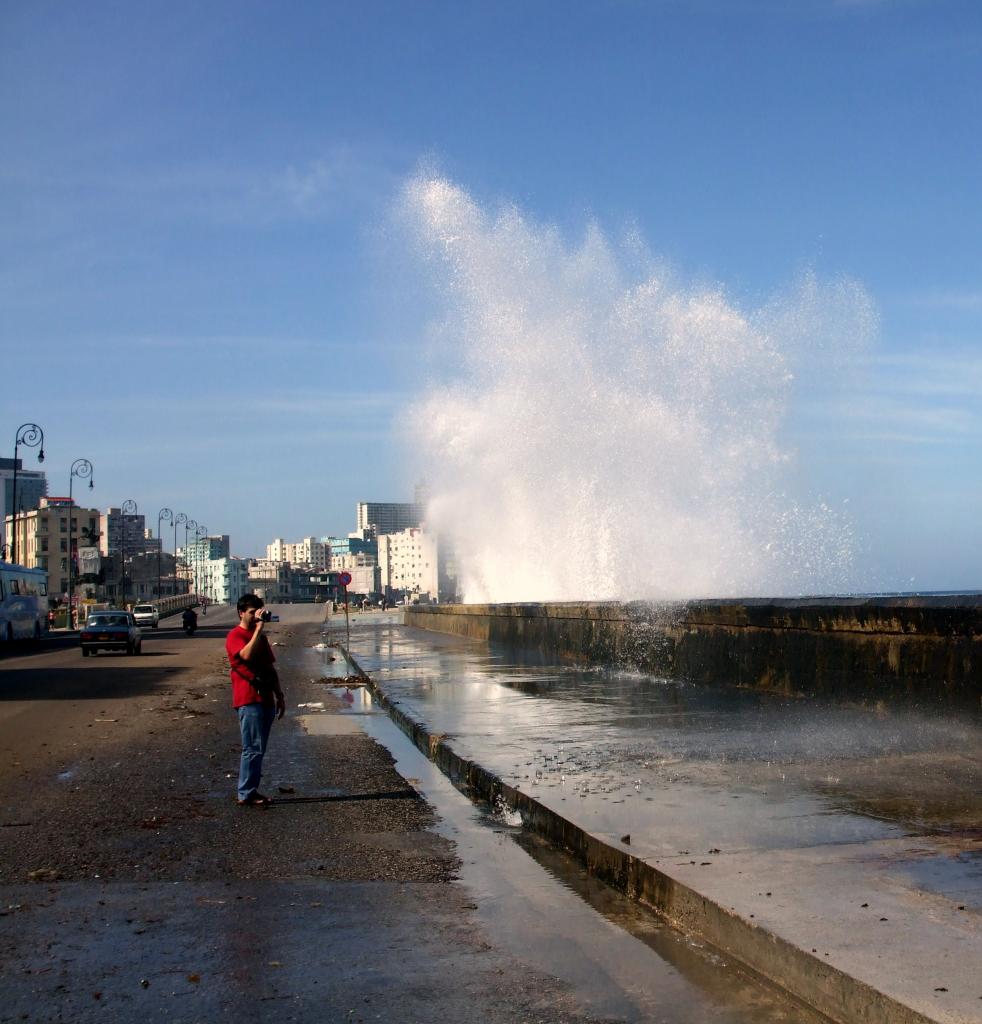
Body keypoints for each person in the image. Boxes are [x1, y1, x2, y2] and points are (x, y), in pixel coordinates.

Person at [226, 594, 285, 807]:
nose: (256, 616)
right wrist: (258, 631)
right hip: (248, 698)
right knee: (251, 747)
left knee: (259, 748)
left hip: (266, 697)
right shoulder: (236, 635)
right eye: (252, 612)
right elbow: (246, 656)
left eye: (258, 612)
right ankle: (246, 792)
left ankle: (250, 790)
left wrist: (279, 694)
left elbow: (269, 666)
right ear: (242, 613)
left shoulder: (260, 637)